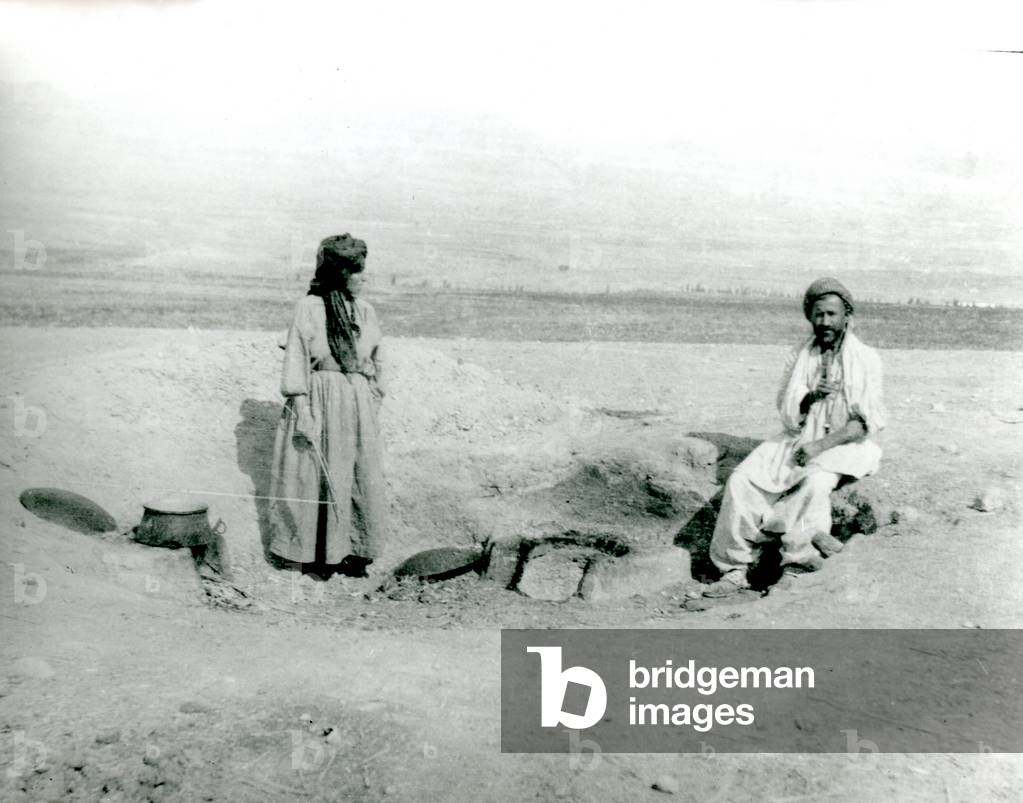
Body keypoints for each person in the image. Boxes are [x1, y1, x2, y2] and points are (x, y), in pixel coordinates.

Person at [703, 277, 886, 597]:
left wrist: (820, 446)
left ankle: (797, 565)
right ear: (810, 317)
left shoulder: (866, 358)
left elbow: (865, 423)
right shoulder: (799, 355)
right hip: (797, 438)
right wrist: (811, 397)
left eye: (831, 314)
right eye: (818, 315)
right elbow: (786, 410)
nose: (824, 322)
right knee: (741, 480)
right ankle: (734, 569)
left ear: (846, 316)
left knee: (813, 485)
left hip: (845, 445)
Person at [266, 233, 387, 577]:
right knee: (313, 475)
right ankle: (313, 556)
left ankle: (352, 552)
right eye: (357, 272)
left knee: (357, 475)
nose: (364, 278)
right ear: (339, 274)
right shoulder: (309, 308)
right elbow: (296, 360)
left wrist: (371, 399)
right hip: (319, 400)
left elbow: (379, 361)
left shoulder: (365, 311)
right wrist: (302, 409)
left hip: (356, 403)